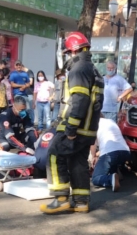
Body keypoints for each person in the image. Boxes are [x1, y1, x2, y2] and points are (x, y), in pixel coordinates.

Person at [39, 31, 104, 214]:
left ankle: (60, 199)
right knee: (78, 161)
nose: (67, 56)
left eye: (68, 53)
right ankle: (81, 202)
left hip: (77, 126)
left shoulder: (78, 69)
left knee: (53, 154)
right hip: (89, 128)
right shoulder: (93, 69)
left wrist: (70, 128)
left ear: (73, 51)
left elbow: (80, 99)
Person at [90, 117, 131, 192]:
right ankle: (115, 173)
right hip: (125, 151)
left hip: (110, 153)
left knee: (95, 178)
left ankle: (110, 179)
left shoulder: (93, 124)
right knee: (112, 161)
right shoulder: (110, 121)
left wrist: (94, 157)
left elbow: (92, 143)